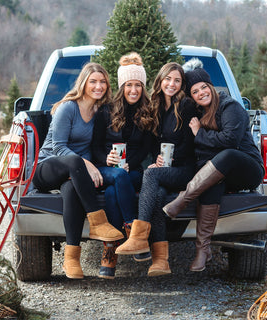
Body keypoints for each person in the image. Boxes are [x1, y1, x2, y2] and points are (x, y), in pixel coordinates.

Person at [162, 59, 265, 272]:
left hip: (247, 169)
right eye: (195, 92)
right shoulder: (198, 114)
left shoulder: (230, 107)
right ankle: (203, 250)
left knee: (227, 154)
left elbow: (230, 142)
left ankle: (184, 199)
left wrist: (200, 133)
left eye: (203, 88)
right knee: (211, 182)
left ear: (210, 86)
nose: (201, 93)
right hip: (221, 173)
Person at [32, 62, 124, 280]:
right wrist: (88, 164)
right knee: (73, 161)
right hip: (49, 168)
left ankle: (71, 258)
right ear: (83, 83)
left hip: (75, 175)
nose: (98, 86)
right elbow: (59, 147)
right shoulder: (68, 108)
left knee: (72, 188)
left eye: (102, 82)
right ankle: (98, 223)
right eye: (93, 81)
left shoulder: (101, 111)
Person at [115, 62, 198, 276]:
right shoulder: (156, 106)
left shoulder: (186, 106)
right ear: (160, 81)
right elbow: (152, 141)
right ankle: (161, 260)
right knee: (157, 196)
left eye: (177, 80)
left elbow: (190, 144)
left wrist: (167, 161)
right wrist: (156, 160)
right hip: (164, 170)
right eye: (168, 79)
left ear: (182, 84)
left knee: (150, 176)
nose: (172, 84)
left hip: (185, 169)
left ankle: (138, 237)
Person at [91, 52, 155, 279]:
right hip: (108, 169)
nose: (133, 90)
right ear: (122, 86)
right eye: (129, 85)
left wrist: (131, 164)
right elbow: (96, 145)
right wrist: (105, 159)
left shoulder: (148, 112)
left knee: (113, 190)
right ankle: (133, 232)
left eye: (138, 85)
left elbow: (146, 148)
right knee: (117, 178)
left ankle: (110, 250)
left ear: (143, 87)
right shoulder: (105, 112)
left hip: (133, 171)